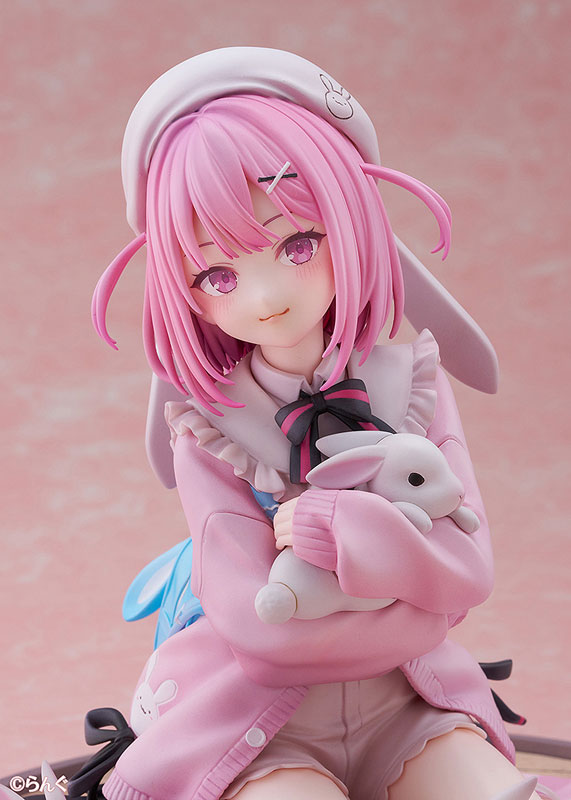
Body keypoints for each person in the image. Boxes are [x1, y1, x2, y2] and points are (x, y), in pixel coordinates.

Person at [92, 47, 540, 800]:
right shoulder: (208, 428)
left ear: (350, 223)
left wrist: (335, 530)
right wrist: (410, 592)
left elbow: (467, 575)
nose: (266, 297)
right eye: (218, 275)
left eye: (297, 246)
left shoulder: (412, 383)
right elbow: (260, 636)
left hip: (410, 705)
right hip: (255, 725)